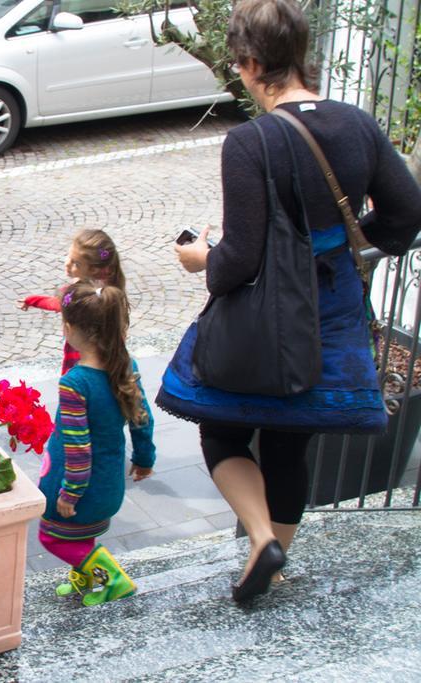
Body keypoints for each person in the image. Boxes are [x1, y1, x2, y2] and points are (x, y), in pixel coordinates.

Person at [158, 0, 421, 604]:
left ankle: (259, 540)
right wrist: (344, 249)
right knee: (290, 442)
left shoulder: (251, 141)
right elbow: (406, 214)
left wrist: (201, 259)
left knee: (221, 430)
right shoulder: (356, 123)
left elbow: (243, 258)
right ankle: (271, 566)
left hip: (264, 320)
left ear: (250, 63)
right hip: (331, 310)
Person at [38, 282, 156, 605]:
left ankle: (112, 579)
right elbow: (142, 419)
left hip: (80, 489)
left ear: (70, 328)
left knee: (51, 538)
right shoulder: (125, 367)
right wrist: (145, 458)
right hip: (108, 484)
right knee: (81, 536)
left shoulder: (75, 383)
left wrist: (69, 493)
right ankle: (85, 579)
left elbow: (78, 448)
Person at [19, 229, 126, 374]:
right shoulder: (108, 292)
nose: (67, 264)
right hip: (109, 361)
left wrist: (33, 300)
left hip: (81, 360)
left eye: (76, 263)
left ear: (93, 270)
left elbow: (57, 304)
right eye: (69, 256)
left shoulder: (78, 297)